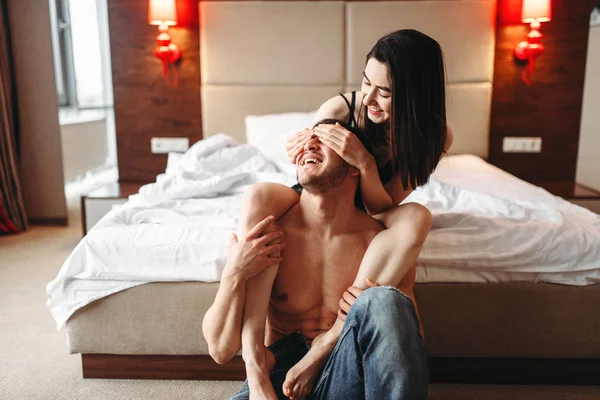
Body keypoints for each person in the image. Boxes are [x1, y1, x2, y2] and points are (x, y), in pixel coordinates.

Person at [224, 28, 450, 398]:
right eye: (366, 83)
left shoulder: (432, 136)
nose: (370, 99)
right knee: (259, 197)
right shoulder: (340, 109)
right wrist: (306, 149)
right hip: (325, 193)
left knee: (415, 217)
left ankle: (331, 339)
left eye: (386, 92)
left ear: (415, 96)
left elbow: (383, 207)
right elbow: (314, 174)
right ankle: (256, 362)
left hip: (370, 206)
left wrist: (363, 163)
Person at [202, 119, 429, 399]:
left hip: (345, 365)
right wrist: (233, 272)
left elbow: (405, 342)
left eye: (325, 139)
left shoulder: (380, 244)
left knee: (385, 300)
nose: (309, 144)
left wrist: (352, 323)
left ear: (354, 167)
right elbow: (220, 350)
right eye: (306, 139)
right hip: (279, 373)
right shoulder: (272, 229)